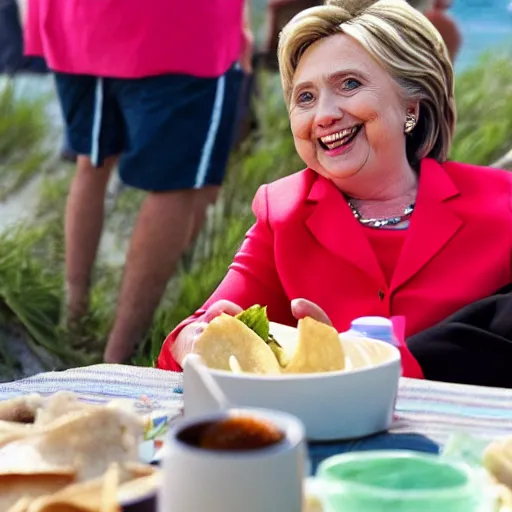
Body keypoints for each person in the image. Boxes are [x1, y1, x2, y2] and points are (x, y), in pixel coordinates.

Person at [157, 0, 512, 378]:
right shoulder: (282, 212)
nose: (324, 115)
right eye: (305, 97)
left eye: (350, 84)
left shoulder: (502, 202)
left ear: (411, 106)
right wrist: (192, 339)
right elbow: (189, 340)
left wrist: (349, 358)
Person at [24, 0, 252, 363]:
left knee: (93, 160)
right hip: (178, 25)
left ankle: (75, 315)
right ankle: (118, 357)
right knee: (175, 186)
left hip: (77, 20)